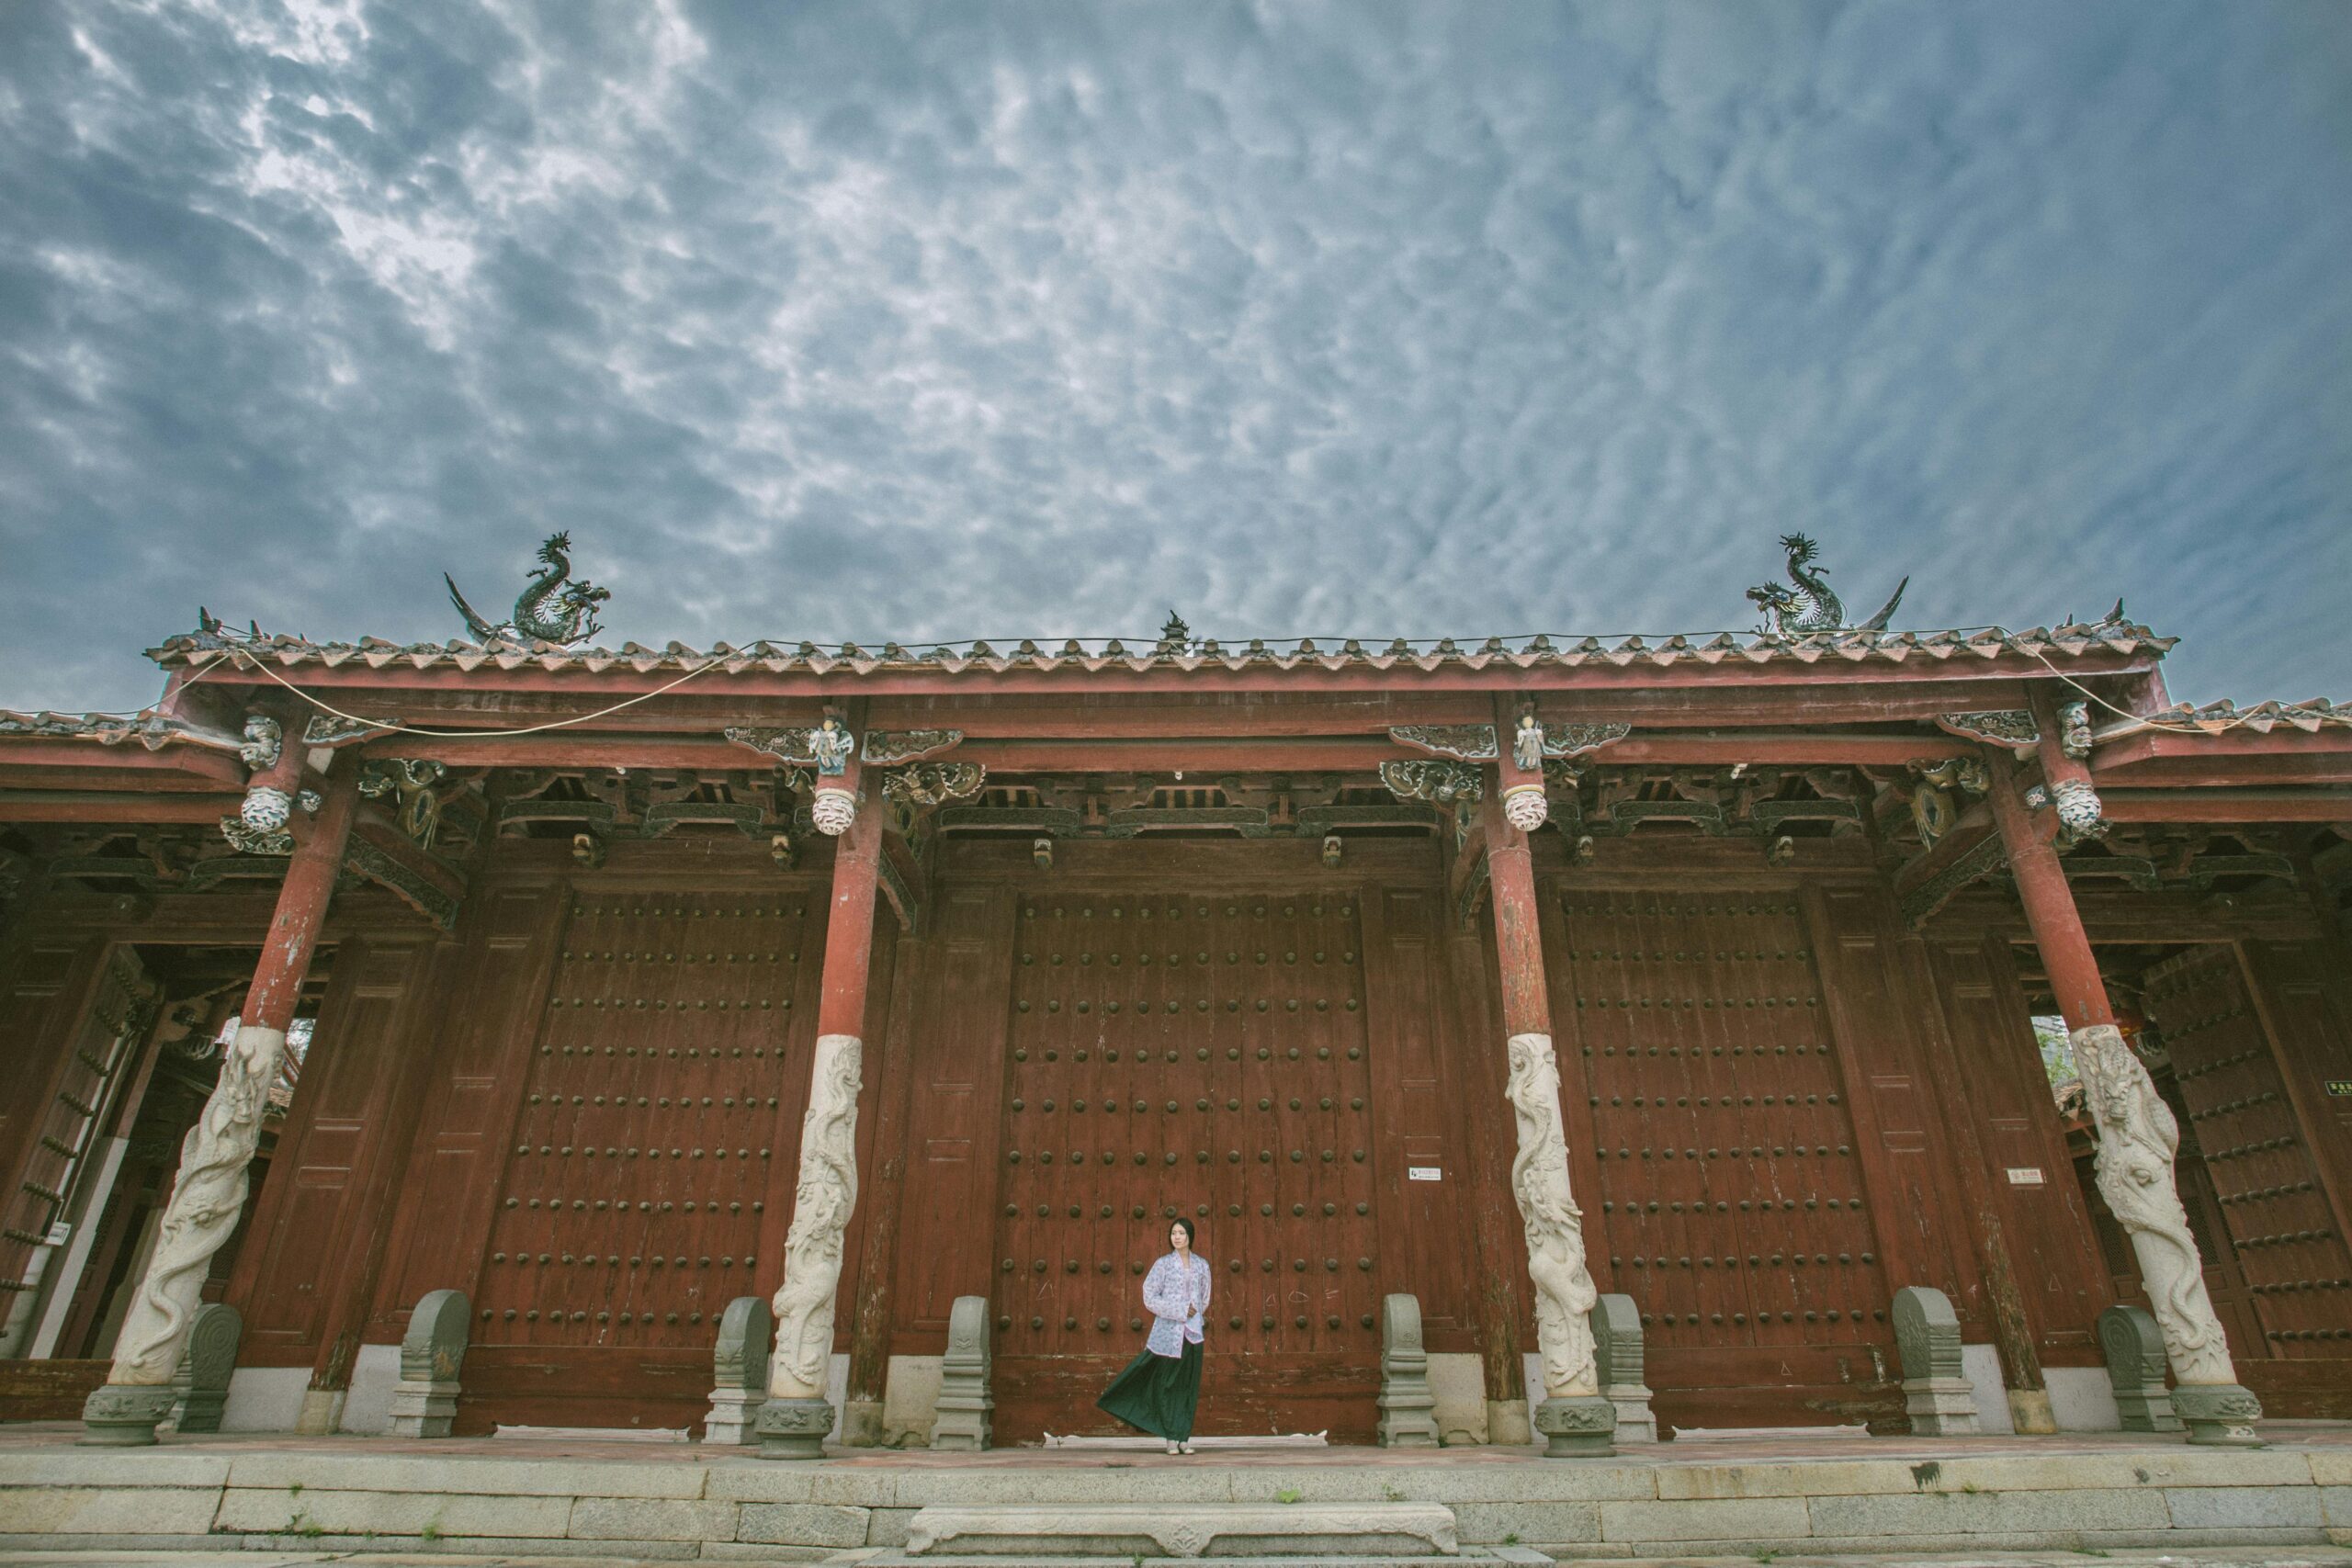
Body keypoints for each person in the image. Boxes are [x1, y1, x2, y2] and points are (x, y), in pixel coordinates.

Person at [1096, 1215, 1211, 1453]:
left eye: (1181, 1233)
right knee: (1168, 1385)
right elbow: (1150, 1296)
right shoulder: (1163, 1264)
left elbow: (1205, 1296)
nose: (1177, 1237)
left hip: (1193, 1334)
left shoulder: (1202, 1265)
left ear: (1190, 1236)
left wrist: (1195, 1315)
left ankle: (1183, 1438)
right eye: (1173, 1233)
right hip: (1168, 1335)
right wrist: (1179, 1310)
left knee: (1187, 1387)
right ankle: (1170, 1437)